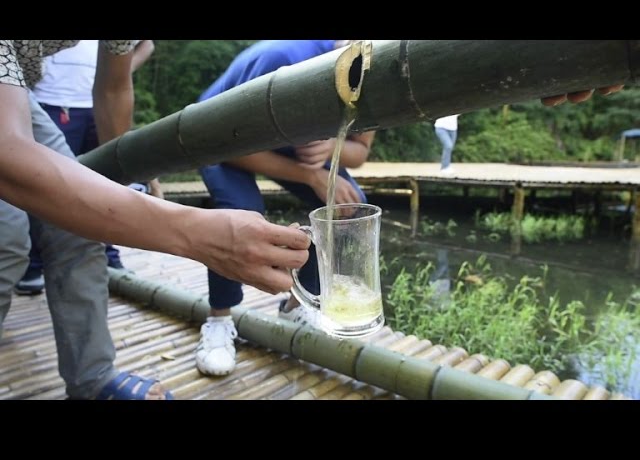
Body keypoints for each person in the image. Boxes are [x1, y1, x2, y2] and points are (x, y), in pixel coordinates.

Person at [0, 40, 311, 400]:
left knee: (79, 230)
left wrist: (119, 189)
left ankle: (92, 377)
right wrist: (197, 234)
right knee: (7, 241)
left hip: (16, 86)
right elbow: (8, 157)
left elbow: (113, 87)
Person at [195, 40, 376, 376]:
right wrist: (308, 175)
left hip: (287, 140)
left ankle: (295, 306)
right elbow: (226, 146)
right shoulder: (282, 58)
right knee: (241, 211)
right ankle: (218, 319)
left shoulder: (376, 68)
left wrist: (331, 145)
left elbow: (360, 151)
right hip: (219, 137)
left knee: (352, 207)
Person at [14, 40, 159, 296]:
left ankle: (109, 252)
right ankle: (33, 264)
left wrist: (139, 170)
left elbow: (116, 88)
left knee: (102, 179)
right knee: (44, 184)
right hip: (44, 97)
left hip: (93, 101)